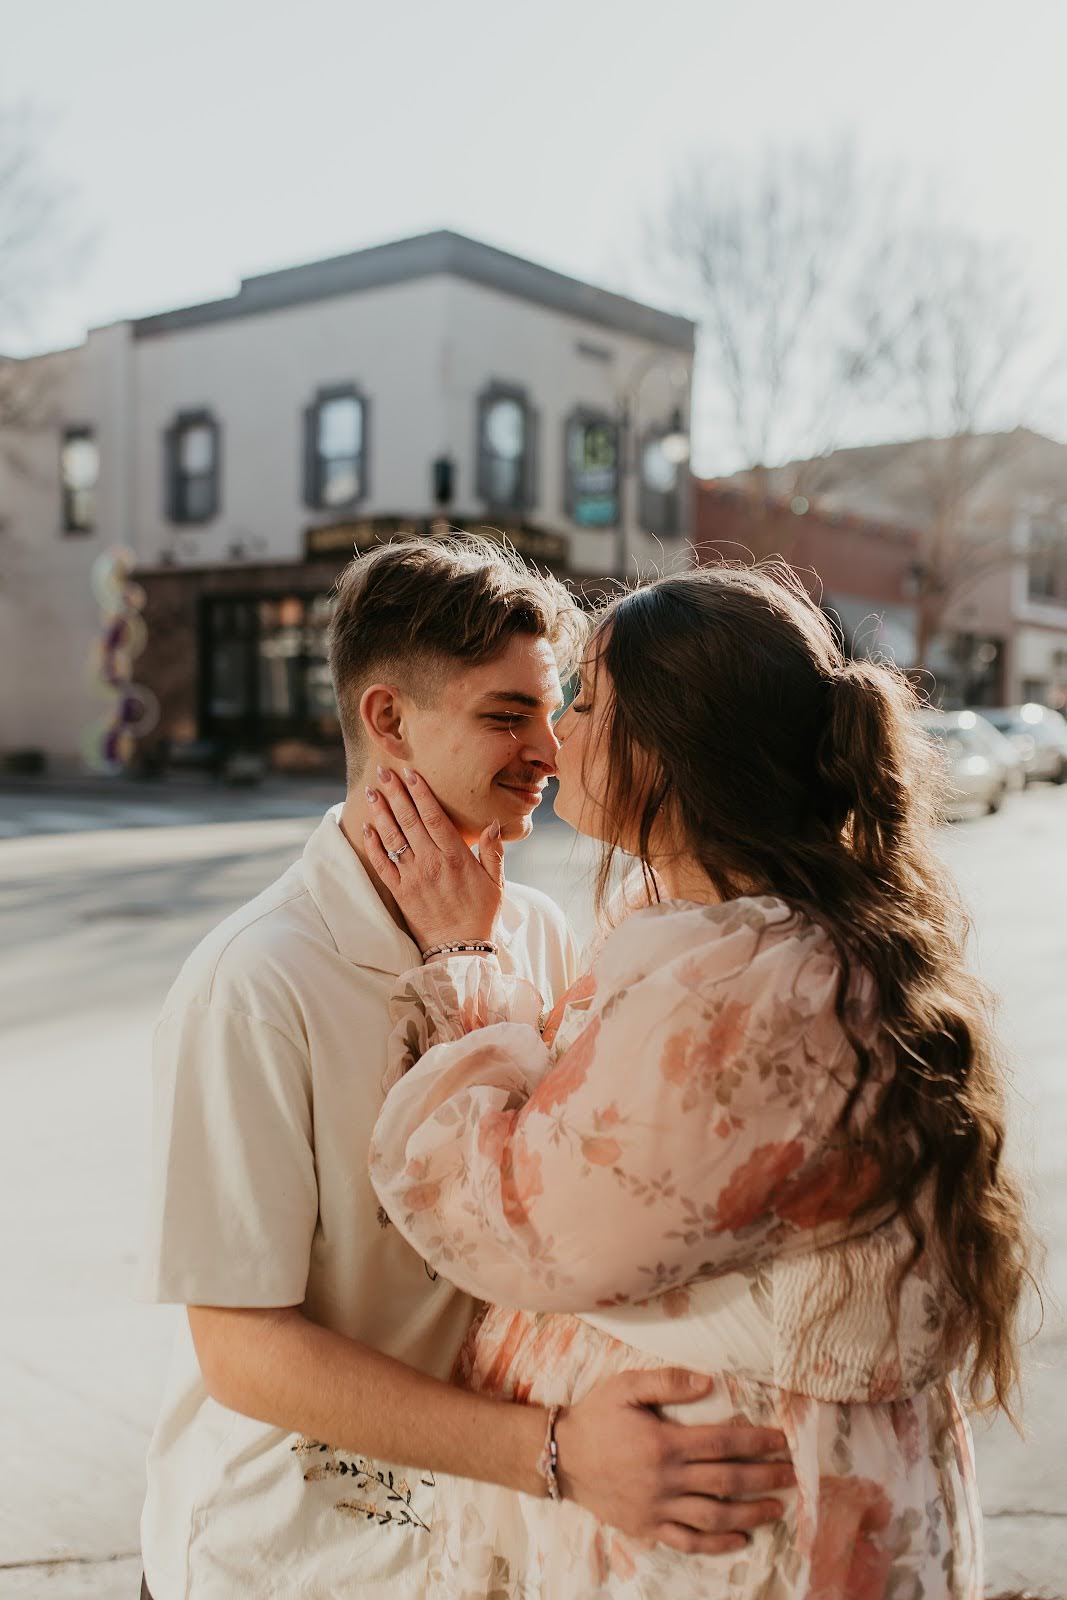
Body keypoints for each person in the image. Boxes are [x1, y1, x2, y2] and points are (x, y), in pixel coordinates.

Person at [138, 537, 793, 1600]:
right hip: (291, 1558)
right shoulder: (255, 981)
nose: (550, 748)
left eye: (555, 710)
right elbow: (242, 1351)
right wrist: (555, 1451)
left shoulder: (530, 934)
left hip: (482, 1541)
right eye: (505, 715)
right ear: (387, 718)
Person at [365, 562, 1036, 1598]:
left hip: (742, 1526)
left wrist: (464, 960)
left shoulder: (753, 987)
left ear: (677, 751)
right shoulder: (732, 937)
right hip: (743, 1501)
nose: (555, 739)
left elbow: (517, 1222)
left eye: (585, 702)